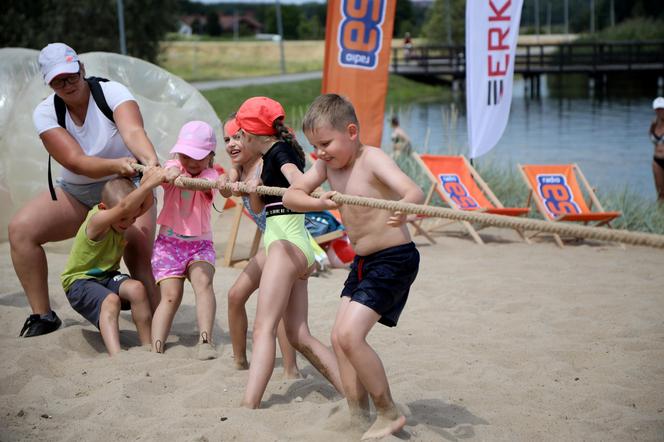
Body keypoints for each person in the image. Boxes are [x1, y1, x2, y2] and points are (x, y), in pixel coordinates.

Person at [283, 93, 424, 440]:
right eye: (315, 146)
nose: (320, 152)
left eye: (326, 143)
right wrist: (318, 201)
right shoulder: (327, 166)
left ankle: (387, 411)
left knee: (349, 335)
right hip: (363, 262)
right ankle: (357, 412)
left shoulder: (372, 158)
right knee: (337, 336)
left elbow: (414, 191)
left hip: (394, 259)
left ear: (351, 131)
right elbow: (290, 196)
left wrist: (405, 207)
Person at [10, 42, 160, 338]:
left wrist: (151, 162)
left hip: (125, 188)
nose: (67, 84)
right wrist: (116, 165)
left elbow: (133, 132)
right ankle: (43, 314)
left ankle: (156, 325)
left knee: (140, 250)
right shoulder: (45, 113)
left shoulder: (112, 92)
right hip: (78, 193)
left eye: (71, 75)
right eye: (58, 80)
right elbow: (76, 162)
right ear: (49, 83)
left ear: (81, 68)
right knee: (20, 231)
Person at [232, 96, 343, 408]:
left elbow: (296, 183)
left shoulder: (279, 152)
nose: (238, 140)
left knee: (264, 328)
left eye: (240, 134)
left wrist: (323, 201)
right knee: (298, 335)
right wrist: (254, 188)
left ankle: (249, 404)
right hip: (290, 245)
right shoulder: (272, 155)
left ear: (253, 136)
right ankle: (352, 390)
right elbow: (264, 206)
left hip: (286, 247)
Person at [218, 116, 301, 377]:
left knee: (278, 312)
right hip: (270, 241)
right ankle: (240, 360)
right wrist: (226, 183)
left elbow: (257, 206)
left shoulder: (267, 164)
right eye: (226, 140)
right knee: (235, 296)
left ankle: (291, 369)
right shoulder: (240, 168)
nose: (231, 144)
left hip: (286, 241)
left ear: (252, 139)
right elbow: (228, 188)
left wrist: (254, 187)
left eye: (237, 138)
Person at [60, 167, 164, 356]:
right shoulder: (98, 221)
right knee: (111, 300)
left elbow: (144, 203)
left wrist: (149, 175)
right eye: (124, 217)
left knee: (137, 289)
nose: (129, 222)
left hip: (107, 277)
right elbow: (124, 208)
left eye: (133, 217)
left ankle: (147, 346)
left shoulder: (124, 217)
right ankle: (116, 355)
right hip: (79, 282)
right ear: (103, 208)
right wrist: (150, 182)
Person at [150, 121, 219, 360]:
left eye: (198, 157)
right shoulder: (173, 167)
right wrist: (171, 174)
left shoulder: (211, 175)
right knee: (170, 296)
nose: (191, 162)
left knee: (203, 283)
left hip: (199, 244)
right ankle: (156, 348)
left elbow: (211, 182)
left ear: (210, 156)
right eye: (186, 155)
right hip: (169, 245)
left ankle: (205, 341)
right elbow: (169, 169)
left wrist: (214, 182)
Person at [650, 97, 664, 202]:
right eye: (658, 109)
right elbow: (652, 138)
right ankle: (659, 217)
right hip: (657, 161)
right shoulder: (653, 124)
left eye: (662, 109)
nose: (660, 111)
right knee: (660, 194)